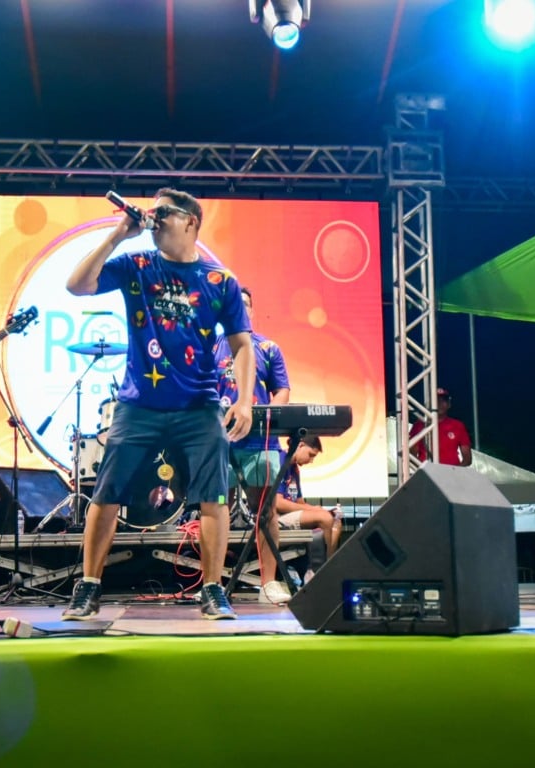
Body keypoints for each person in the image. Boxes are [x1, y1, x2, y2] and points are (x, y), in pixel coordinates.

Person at [63, 187, 254, 620]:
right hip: (138, 404)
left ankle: (213, 590)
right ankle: (88, 586)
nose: (154, 218)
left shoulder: (220, 280)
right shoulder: (137, 265)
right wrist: (118, 234)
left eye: (164, 212)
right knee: (106, 493)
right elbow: (77, 285)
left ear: (190, 221)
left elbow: (242, 345)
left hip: (199, 404)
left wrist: (244, 401)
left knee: (214, 497)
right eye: (153, 211)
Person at [214, 286, 293, 605]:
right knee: (216, 508)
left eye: (246, 304)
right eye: (236, 303)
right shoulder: (209, 348)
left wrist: (268, 414)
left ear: (252, 310)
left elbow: (282, 389)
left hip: (260, 441)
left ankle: (268, 582)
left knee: (266, 509)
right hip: (219, 442)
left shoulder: (269, 348)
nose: (242, 308)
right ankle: (212, 584)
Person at [272, 434, 342, 584]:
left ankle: (326, 569)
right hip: (275, 518)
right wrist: (315, 512)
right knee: (325, 518)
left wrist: (315, 509)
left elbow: (299, 502)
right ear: (300, 445)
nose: (311, 460)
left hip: (288, 516)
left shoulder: (294, 469)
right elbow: (278, 503)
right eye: (311, 455)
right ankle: (320, 573)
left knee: (335, 521)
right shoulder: (280, 460)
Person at [409, 388, 472, 466]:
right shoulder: (419, 425)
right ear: (430, 404)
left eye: (443, 400)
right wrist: (425, 470)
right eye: (436, 400)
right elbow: (412, 455)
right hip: (427, 471)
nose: (439, 403)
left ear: (449, 404)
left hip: (452, 471)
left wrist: (453, 471)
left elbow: (467, 459)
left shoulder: (458, 426)